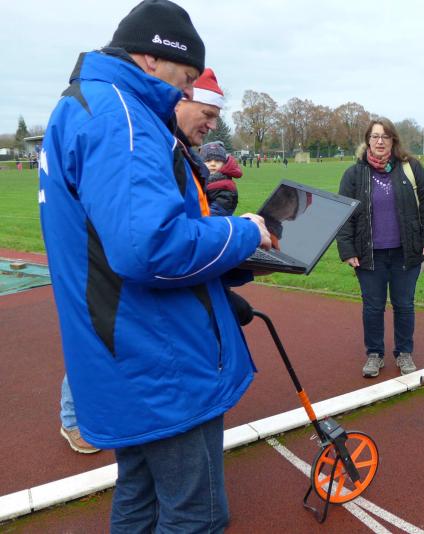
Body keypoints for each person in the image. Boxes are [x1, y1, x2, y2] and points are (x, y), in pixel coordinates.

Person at [38, 1, 272, 531]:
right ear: (152, 58)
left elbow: (121, 239)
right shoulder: (121, 114)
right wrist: (242, 234)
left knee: (139, 497)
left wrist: (233, 261)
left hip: (123, 349)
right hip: (159, 359)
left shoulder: (85, 104)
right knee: (197, 514)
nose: (184, 93)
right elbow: (150, 248)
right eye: (185, 79)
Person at [336, 117, 424, 378]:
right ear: (368, 140)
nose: (380, 141)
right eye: (375, 136)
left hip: (406, 252)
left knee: (404, 305)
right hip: (369, 255)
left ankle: (404, 353)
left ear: (393, 140)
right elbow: (343, 214)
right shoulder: (354, 174)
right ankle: (374, 354)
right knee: (373, 307)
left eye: (385, 136)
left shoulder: (411, 168)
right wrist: (347, 250)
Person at [201, 141, 243, 216]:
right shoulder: (201, 179)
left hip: (211, 221)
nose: (213, 164)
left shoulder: (226, 186)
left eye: (217, 161)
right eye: (208, 161)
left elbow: (217, 213)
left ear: (224, 164)